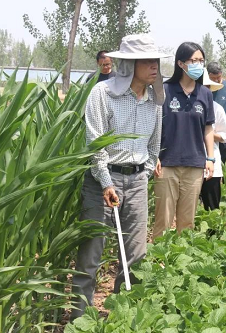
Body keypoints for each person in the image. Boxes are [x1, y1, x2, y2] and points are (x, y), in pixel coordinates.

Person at [72, 34, 168, 318]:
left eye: (156, 61)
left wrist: (145, 173)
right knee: (91, 253)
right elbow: (95, 143)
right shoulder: (103, 94)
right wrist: (106, 182)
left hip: (137, 181)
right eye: (148, 61)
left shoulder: (155, 100)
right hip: (101, 181)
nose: (155, 66)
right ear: (129, 64)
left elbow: (153, 146)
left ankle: (120, 316)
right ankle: (80, 319)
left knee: (136, 255)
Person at [152, 42, 215, 239]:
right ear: (180, 63)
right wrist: (154, 155)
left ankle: (181, 263)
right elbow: (153, 125)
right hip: (166, 164)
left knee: (187, 221)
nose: (198, 64)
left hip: (195, 164)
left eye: (201, 61)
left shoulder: (205, 93)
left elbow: (208, 128)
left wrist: (210, 159)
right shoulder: (164, 90)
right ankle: (156, 264)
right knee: (163, 218)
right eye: (193, 60)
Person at [200, 71, 226, 210]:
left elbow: (224, 136)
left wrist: (207, 132)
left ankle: (212, 232)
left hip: (212, 164)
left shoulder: (217, 109)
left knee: (211, 207)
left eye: (206, 87)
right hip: (190, 164)